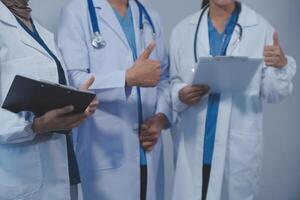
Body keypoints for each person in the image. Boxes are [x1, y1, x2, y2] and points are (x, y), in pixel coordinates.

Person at [170, 0, 297, 200]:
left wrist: (281, 66)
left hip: (236, 152)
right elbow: (172, 83)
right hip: (194, 147)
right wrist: (180, 94)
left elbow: (273, 92)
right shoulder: (183, 31)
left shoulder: (261, 29)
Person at [57, 0, 171, 199]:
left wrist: (160, 118)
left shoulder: (150, 15)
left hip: (149, 149)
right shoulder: (75, 12)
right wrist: (126, 78)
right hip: (105, 148)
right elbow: (72, 80)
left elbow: (163, 77)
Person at [0, 0, 98, 199]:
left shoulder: (40, 28)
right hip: (20, 176)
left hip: (62, 167)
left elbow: (46, 87)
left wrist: (77, 102)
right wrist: (36, 124)